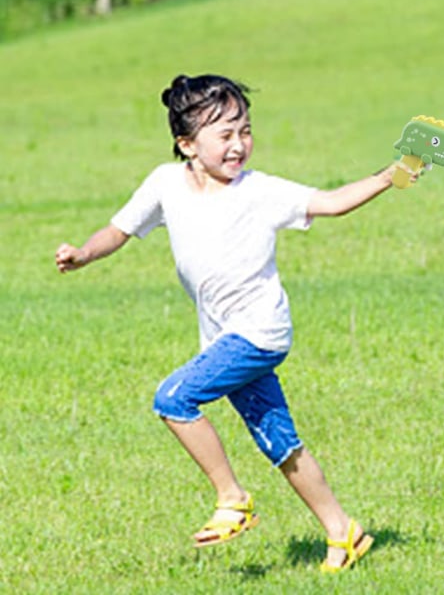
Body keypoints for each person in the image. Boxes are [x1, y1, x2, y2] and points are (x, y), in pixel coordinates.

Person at [55, 74, 423, 573]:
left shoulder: (260, 191)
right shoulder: (165, 184)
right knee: (281, 444)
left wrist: (390, 174)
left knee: (174, 398)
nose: (239, 144)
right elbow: (118, 230)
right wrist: (83, 253)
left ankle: (232, 498)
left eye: (245, 131)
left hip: (259, 334)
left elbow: (331, 202)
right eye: (224, 134)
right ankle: (344, 531)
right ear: (187, 144)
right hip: (224, 338)